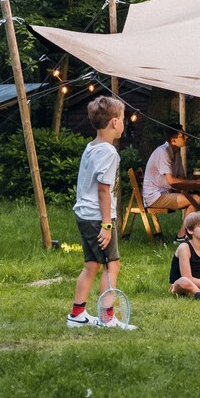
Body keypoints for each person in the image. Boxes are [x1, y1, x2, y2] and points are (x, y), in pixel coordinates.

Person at [67, 95, 135, 329]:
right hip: (98, 217)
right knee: (111, 264)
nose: (124, 123)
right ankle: (107, 318)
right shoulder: (108, 151)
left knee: (92, 265)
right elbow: (104, 190)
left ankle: (77, 314)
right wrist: (107, 225)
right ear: (115, 122)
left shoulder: (91, 147)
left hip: (84, 214)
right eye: (123, 119)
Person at [142, 125, 200, 223]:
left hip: (167, 192)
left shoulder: (176, 153)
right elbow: (171, 181)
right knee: (197, 199)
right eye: (183, 135)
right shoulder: (163, 152)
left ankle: (189, 231)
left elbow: (181, 177)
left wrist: (193, 184)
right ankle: (183, 235)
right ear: (173, 140)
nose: (186, 137)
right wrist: (194, 182)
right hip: (155, 196)